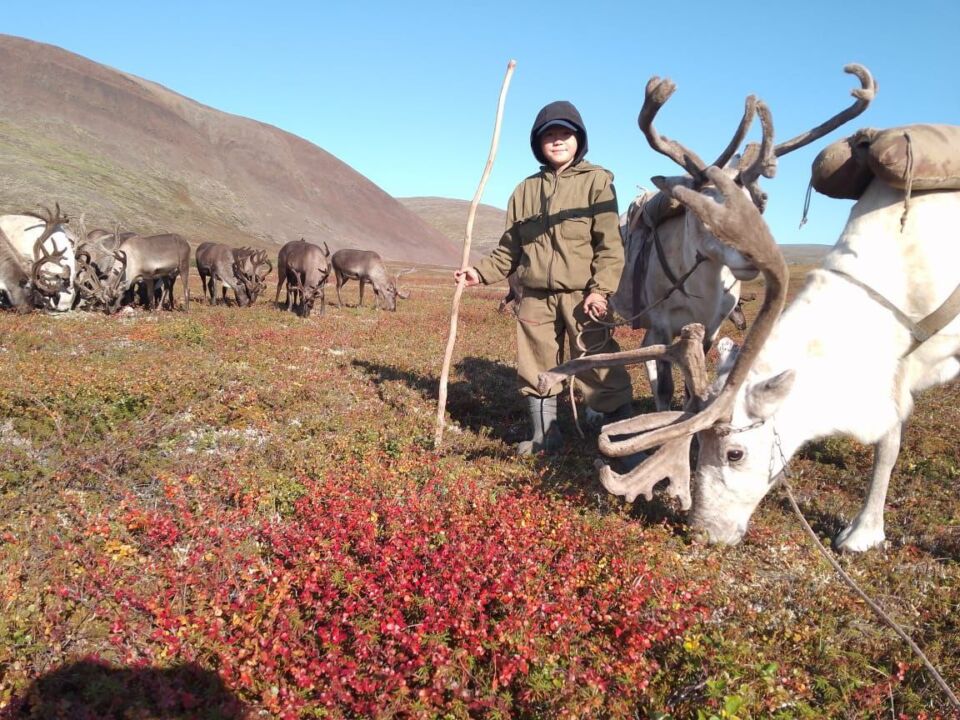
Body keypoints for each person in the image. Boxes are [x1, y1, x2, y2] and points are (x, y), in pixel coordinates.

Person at [455, 100, 634, 455]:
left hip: (584, 296)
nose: (557, 141)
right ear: (538, 143)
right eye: (549, 135)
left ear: (578, 140)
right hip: (535, 295)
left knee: (597, 365)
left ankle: (623, 442)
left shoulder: (597, 182)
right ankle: (544, 437)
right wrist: (480, 272)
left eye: (565, 134)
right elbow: (510, 248)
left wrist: (601, 291)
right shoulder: (523, 191)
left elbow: (610, 246)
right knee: (535, 365)